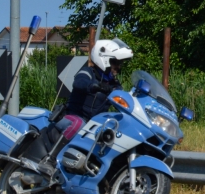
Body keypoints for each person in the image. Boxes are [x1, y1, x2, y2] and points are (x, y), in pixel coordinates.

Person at [37, 38, 133, 180]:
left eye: (120, 63)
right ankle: (49, 160)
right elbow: (79, 82)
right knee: (78, 124)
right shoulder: (88, 72)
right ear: (104, 60)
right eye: (115, 62)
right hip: (71, 116)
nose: (118, 67)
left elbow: (123, 99)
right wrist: (93, 86)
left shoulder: (114, 85)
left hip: (93, 124)